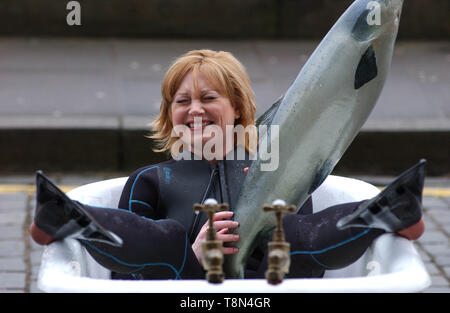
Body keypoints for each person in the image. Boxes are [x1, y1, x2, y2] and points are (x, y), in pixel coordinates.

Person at [30, 49, 425, 280]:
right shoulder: (150, 180)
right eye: (181, 101)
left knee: (290, 232)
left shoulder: (276, 171)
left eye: (209, 98)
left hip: (269, 288)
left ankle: (384, 211)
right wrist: (194, 257)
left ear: (237, 108)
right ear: (170, 114)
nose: (194, 110)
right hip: (182, 289)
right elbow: (124, 278)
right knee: (165, 239)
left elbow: (306, 259)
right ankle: (69, 217)